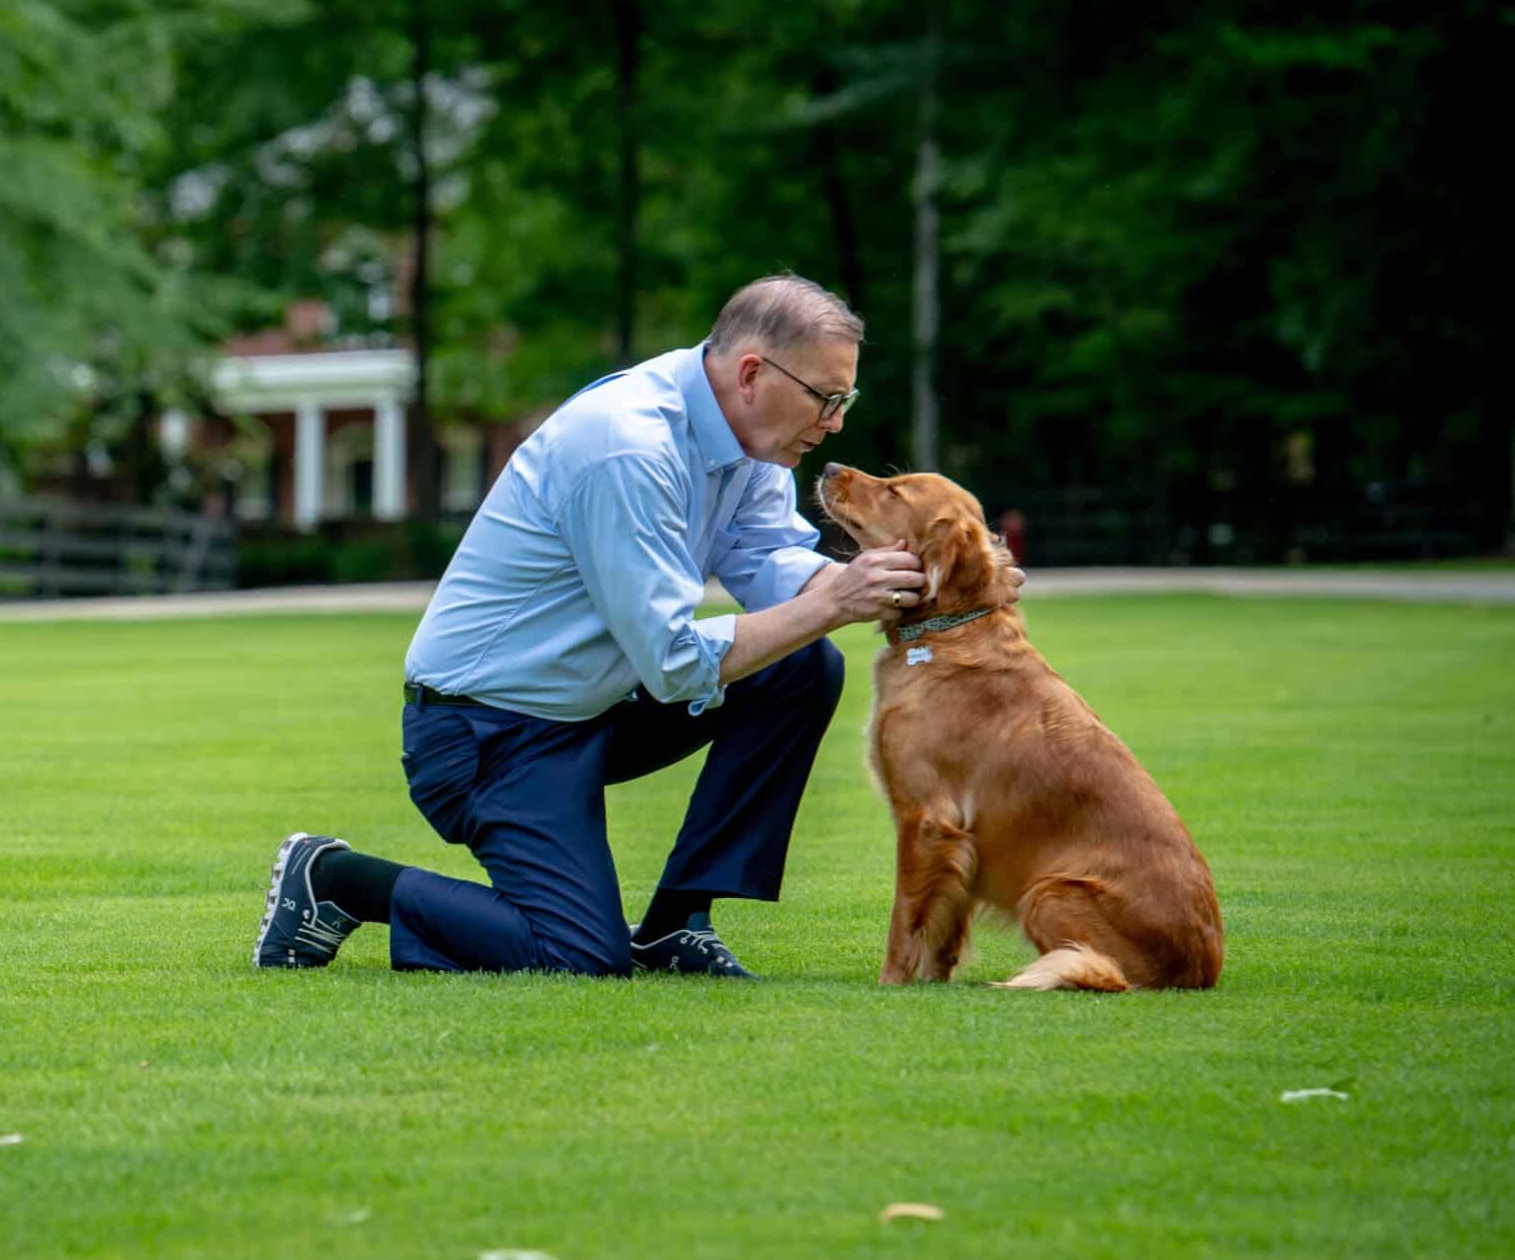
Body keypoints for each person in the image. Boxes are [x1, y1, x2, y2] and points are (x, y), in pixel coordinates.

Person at [252, 273, 1019, 977]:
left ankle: (675, 925)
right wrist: (833, 602)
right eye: (827, 398)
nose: (836, 421)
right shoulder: (627, 447)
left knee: (801, 665)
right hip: (484, 734)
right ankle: (338, 879)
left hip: (588, 706)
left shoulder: (749, 442)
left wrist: (933, 595)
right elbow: (676, 665)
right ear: (753, 374)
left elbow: (771, 561)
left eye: (842, 400)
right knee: (577, 955)